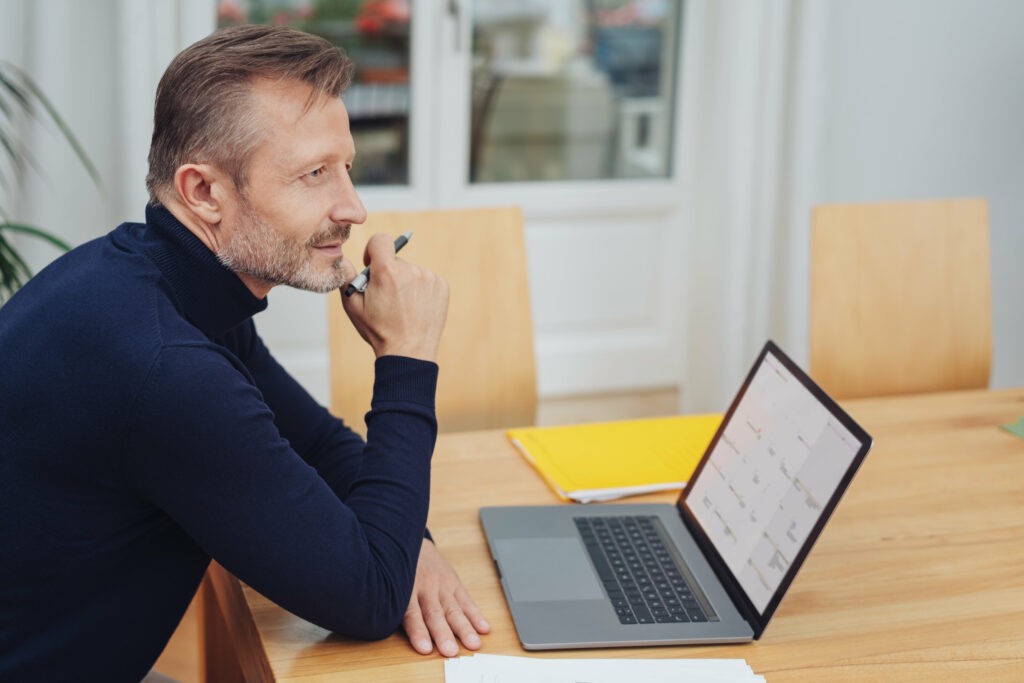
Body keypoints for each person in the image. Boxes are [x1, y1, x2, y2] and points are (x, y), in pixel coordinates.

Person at [0, 24, 489, 681]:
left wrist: (408, 544)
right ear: (204, 192)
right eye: (314, 174)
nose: (353, 207)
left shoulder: (166, 289)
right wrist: (407, 359)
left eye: (347, 167)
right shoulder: (162, 364)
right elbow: (368, 596)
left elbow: (318, 444)